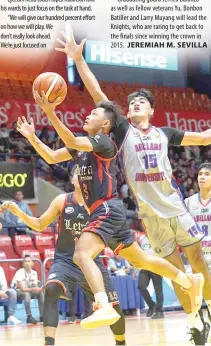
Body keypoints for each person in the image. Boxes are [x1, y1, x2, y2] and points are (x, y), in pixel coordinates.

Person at [55, 30, 211, 343]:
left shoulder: (165, 133)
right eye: (133, 102)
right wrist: (78, 60)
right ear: (126, 113)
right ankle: (196, 319)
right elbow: (97, 92)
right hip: (150, 214)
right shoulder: (123, 130)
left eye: (142, 102)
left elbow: (205, 137)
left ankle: (207, 307)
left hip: (174, 205)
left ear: (152, 111)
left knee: (197, 260)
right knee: (174, 267)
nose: (137, 103)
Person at [16, 96, 204, 332]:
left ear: (105, 125)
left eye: (94, 114)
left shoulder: (105, 143)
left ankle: (103, 305)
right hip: (109, 212)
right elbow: (52, 157)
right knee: (141, 260)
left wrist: (49, 112)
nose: (88, 116)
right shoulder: (83, 150)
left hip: (106, 207)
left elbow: (71, 139)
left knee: (82, 253)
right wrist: (32, 137)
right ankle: (188, 279)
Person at [2, 178, 127, 346]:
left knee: (114, 307)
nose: (85, 176)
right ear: (73, 180)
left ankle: (121, 342)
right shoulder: (62, 200)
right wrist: (19, 213)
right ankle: (49, 342)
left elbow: (110, 233)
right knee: (51, 289)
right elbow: (39, 224)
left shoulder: (99, 205)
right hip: (64, 260)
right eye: (80, 174)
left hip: (90, 262)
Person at [185, 163, 211, 319]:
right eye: (200, 174)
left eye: (207, 174)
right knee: (196, 295)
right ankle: (200, 328)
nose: (202, 177)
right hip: (197, 253)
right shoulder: (188, 202)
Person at [135, 234, 164, 319]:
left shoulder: (157, 238)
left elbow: (162, 253)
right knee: (141, 286)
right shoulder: (142, 238)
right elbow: (140, 254)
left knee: (158, 290)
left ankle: (160, 311)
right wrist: (136, 267)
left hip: (156, 266)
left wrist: (162, 267)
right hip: (145, 266)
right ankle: (151, 305)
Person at [11, 254, 44, 324]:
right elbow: (22, 289)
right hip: (16, 292)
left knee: (40, 293)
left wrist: (39, 289)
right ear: (23, 264)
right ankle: (29, 316)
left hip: (28, 290)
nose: (27, 263)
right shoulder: (19, 272)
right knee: (26, 294)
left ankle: (42, 316)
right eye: (25, 261)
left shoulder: (34, 273)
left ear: (32, 263)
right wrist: (34, 289)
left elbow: (34, 286)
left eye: (29, 261)